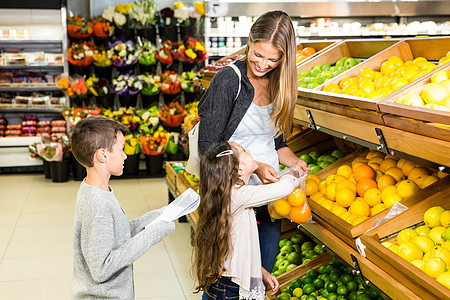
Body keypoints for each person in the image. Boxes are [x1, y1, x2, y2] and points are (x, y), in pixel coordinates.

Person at [197, 10, 310, 274]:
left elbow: (278, 143)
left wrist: (295, 163)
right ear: (249, 39)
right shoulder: (229, 81)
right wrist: (256, 165)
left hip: (269, 199)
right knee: (227, 276)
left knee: (261, 273)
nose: (262, 64)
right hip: (230, 198)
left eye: (272, 59)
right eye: (257, 55)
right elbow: (208, 147)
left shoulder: (282, 84)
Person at [70, 116, 175, 299]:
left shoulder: (96, 189)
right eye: (121, 150)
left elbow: (118, 234)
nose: (126, 155)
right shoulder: (98, 204)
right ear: (102, 155)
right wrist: (152, 234)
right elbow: (102, 268)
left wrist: (156, 216)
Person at [192, 141, 301, 299]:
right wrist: (293, 173)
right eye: (244, 151)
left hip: (225, 282)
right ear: (240, 169)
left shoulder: (227, 194)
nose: (249, 150)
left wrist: (261, 272)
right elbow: (283, 188)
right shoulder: (237, 195)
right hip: (229, 288)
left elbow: (239, 249)